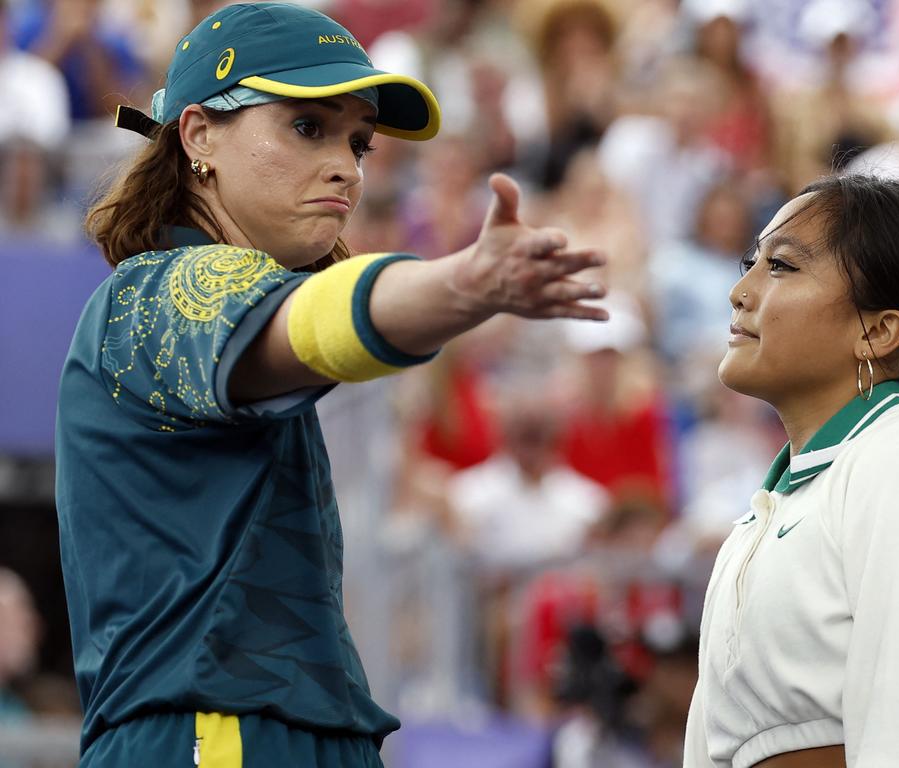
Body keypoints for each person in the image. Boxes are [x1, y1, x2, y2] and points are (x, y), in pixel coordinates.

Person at [55, 3, 607, 767]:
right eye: (307, 127)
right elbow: (311, 322)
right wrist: (463, 284)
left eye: (358, 141)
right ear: (198, 135)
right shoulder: (158, 290)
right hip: (212, 736)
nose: (347, 164)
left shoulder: (209, 294)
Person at [682, 174, 899, 767]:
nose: (739, 291)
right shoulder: (770, 508)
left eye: (782, 266)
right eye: (749, 262)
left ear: (879, 329)